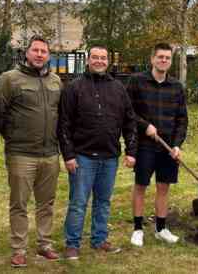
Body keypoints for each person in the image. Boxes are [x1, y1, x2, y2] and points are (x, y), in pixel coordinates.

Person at [58, 45, 137, 261]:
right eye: (95, 57)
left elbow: (130, 121)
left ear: (108, 61)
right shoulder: (74, 88)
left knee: (103, 202)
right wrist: (68, 155)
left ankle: (99, 239)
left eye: (103, 58)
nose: (99, 61)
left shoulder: (118, 88)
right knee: (78, 202)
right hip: (82, 156)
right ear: (88, 60)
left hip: (109, 157)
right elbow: (63, 124)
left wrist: (131, 151)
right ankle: (72, 243)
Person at [0, 36, 62, 268]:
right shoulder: (10, 80)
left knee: (46, 203)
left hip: (50, 153)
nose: (40, 54)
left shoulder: (56, 81)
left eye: (44, 51)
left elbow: (60, 115)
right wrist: (12, 136)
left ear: (49, 55)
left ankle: (44, 245)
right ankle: (19, 249)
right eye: (36, 50)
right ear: (27, 53)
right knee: (19, 203)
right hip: (21, 153)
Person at [127, 43, 188, 247]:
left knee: (163, 187)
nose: (164, 60)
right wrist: (145, 126)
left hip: (168, 146)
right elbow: (127, 112)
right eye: (160, 57)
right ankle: (137, 229)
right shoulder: (137, 82)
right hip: (145, 145)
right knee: (141, 186)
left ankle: (161, 228)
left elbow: (182, 119)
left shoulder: (177, 87)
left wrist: (178, 145)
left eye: (167, 58)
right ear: (152, 59)